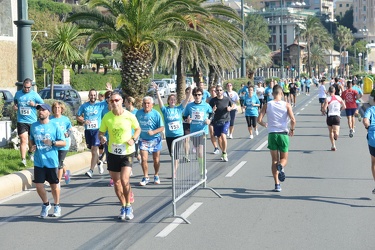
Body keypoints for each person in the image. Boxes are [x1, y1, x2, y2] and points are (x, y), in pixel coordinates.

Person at [99, 92, 140, 220]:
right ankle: (123, 206)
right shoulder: (107, 117)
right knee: (116, 183)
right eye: (112, 101)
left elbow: (138, 129)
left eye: (116, 100)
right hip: (113, 152)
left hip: (127, 152)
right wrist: (102, 138)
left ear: (122, 101)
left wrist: (133, 139)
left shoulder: (129, 116)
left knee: (124, 180)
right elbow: (101, 132)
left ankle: (128, 206)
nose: (114, 103)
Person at [30, 103, 66, 218]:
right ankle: (46, 204)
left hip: (51, 161)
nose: (40, 112)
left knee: (54, 185)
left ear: (48, 112)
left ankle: (57, 205)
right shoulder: (33, 126)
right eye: (39, 110)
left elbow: (63, 142)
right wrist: (32, 147)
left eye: (43, 110)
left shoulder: (54, 126)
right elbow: (31, 140)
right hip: (39, 161)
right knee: (39, 185)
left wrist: (53, 143)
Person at [257, 85, 296, 192]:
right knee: (284, 159)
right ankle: (281, 166)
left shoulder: (267, 105)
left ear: (273, 93)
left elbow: (259, 119)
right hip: (283, 134)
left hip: (272, 134)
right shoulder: (287, 105)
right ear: (282, 94)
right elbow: (293, 120)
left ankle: (277, 184)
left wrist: (265, 124)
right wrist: (292, 129)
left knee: (274, 160)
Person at [156, 84, 191, 177]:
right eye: (171, 100)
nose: (172, 101)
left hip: (178, 134)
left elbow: (186, 100)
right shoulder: (165, 110)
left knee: (175, 153)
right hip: (169, 135)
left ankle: (174, 171)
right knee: (172, 154)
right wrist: (157, 92)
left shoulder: (179, 109)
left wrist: (190, 91)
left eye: (174, 100)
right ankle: (175, 166)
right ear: (168, 101)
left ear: (176, 101)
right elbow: (160, 102)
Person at [13, 78, 44, 166]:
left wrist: (34, 104)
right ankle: (23, 159)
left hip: (32, 121)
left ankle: (30, 153)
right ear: (23, 86)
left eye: (28, 87)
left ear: (31, 86)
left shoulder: (34, 95)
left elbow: (42, 104)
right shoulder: (18, 94)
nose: (27, 89)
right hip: (21, 121)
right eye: (25, 87)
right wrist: (15, 106)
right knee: (23, 140)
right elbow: (15, 101)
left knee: (31, 141)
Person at [77, 89, 107, 178]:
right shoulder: (84, 106)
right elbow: (78, 116)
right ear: (89, 96)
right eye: (91, 95)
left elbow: (110, 99)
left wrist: (109, 90)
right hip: (88, 130)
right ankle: (98, 162)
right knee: (92, 150)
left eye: (94, 95)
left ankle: (91, 170)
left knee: (94, 149)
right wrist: (83, 120)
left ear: (96, 96)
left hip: (97, 130)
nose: (93, 97)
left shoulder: (101, 104)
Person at [136, 96, 165, 186]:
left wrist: (153, 132)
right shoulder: (138, 113)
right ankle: (146, 177)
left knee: (156, 160)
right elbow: (135, 125)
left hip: (155, 139)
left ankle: (156, 175)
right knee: (144, 159)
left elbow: (162, 127)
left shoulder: (156, 114)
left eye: (148, 103)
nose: (146, 105)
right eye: (144, 103)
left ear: (152, 105)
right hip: (143, 140)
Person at [184, 87, 213, 170]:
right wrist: (187, 119)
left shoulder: (206, 105)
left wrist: (209, 120)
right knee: (197, 152)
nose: (197, 96)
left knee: (200, 152)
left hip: (203, 131)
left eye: (199, 95)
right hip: (193, 131)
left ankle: (202, 169)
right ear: (193, 95)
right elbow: (185, 116)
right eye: (195, 95)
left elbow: (212, 113)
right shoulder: (189, 106)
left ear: (202, 95)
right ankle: (201, 166)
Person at [50, 101, 72, 184]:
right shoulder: (50, 119)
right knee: (57, 161)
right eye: (55, 107)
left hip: (64, 144)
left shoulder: (65, 119)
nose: (57, 109)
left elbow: (70, 129)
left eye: (59, 108)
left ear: (62, 109)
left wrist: (67, 134)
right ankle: (66, 173)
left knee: (59, 162)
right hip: (54, 144)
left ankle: (57, 182)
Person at [209, 85, 233, 161]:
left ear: (223, 91)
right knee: (219, 138)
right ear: (215, 92)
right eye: (217, 90)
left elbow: (233, 105)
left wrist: (230, 108)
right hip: (216, 121)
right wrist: (213, 110)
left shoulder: (227, 99)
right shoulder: (213, 101)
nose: (219, 92)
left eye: (220, 90)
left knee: (223, 135)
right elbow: (209, 111)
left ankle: (225, 152)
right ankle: (223, 151)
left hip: (226, 120)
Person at [322, 86, 346, 151]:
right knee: (337, 132)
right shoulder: (339, 98)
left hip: (330, 116)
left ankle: (333, 145)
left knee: (330, 132)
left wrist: (324, 111)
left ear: (329, 92)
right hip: (336, 116)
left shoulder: (327, 99)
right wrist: (340, 110)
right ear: (334, 91)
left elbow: (324, 108)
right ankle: (336, 134)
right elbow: (344, 106)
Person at [363, 101, 375, 194]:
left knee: (373, 162)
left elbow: (365, 121)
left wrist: (367, 126)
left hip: (373, 138)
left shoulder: (370, 110)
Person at [207, 86, 219, 154]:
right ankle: (216, 147)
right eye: (212, 91)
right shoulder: (208, 99)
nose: (213, 92)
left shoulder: (220, 98)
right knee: (212, 133)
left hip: (219, 119)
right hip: (211, 118)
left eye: (214, 90)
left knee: (219, 135)